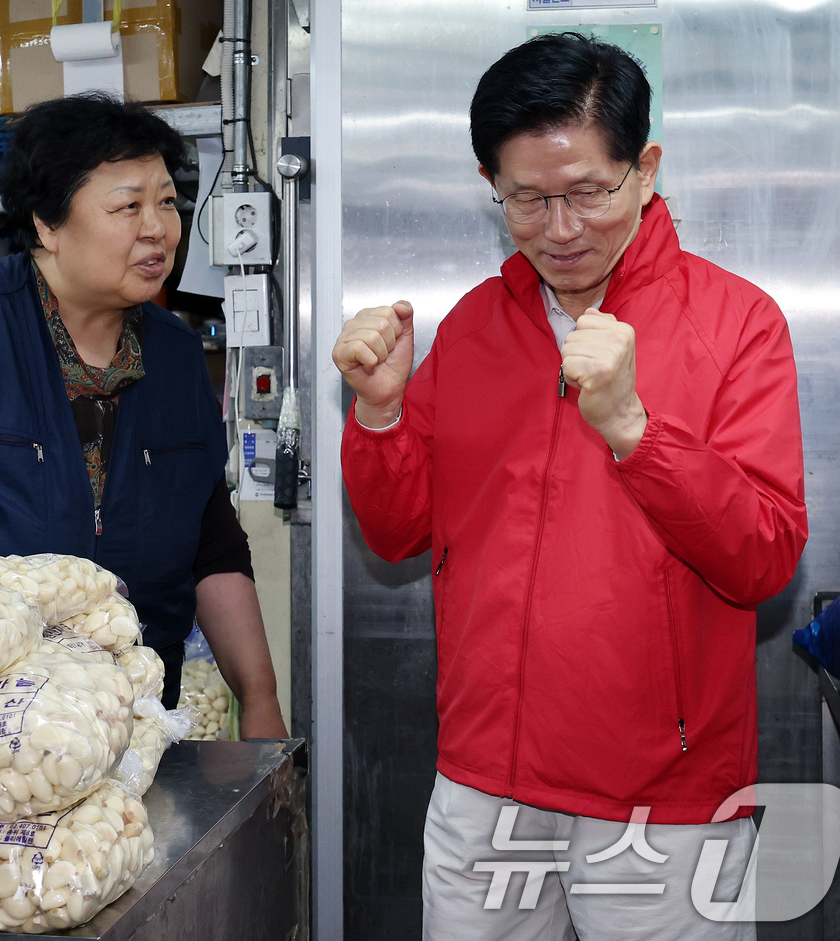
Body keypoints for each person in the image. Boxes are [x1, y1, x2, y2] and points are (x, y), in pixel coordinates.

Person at [332, 33, 806, 938]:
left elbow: (765, 557)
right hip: (485, 780)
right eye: (527, 198)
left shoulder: (736, 322)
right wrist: (382, 414)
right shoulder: (474, 327)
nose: (560, 229)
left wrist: (636, 431)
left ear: (645, 170)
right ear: (492, 185)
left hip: (662, 799)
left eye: (589, 192)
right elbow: (397, 534)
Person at [0, 93, 288, 738]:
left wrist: (259, 701)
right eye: (128, 207)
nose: (158, 228)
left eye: (168, 202)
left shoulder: (176, 354)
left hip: (139, 724)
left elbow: (211, 540)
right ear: (48, 225)